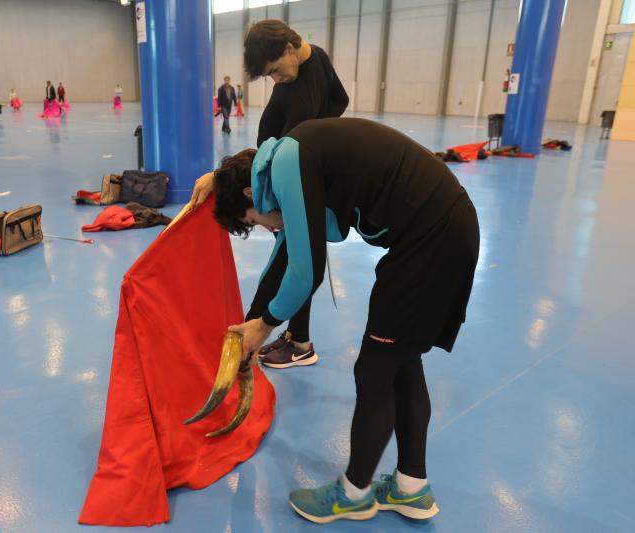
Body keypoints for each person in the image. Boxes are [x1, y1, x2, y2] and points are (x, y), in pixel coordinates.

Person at [211, 117, 479, 524]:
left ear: (252, 193)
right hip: (443, 229)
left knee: (374, 369)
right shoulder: (288, 160)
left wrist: (265, 325)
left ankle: (353, 494)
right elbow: (284, 255)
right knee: (401, 361)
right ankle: (411, 487)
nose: (264, 228)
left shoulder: (287, 167)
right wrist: (251, 323)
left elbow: (307, 270)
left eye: (252, 220)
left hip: (432, 238)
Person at [192, 19, 349, 369]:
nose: (276, 80)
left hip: (293, 185)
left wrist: (319, 149)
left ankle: (285, 340)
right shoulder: (311, 63)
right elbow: (341, 99)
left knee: (296, 262)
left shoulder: (309, 79)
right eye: (270, 76)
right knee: (297, 259)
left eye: (276, 70)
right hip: (282, 178)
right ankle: (293, 336)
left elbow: (289, 150)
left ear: (291, 46)